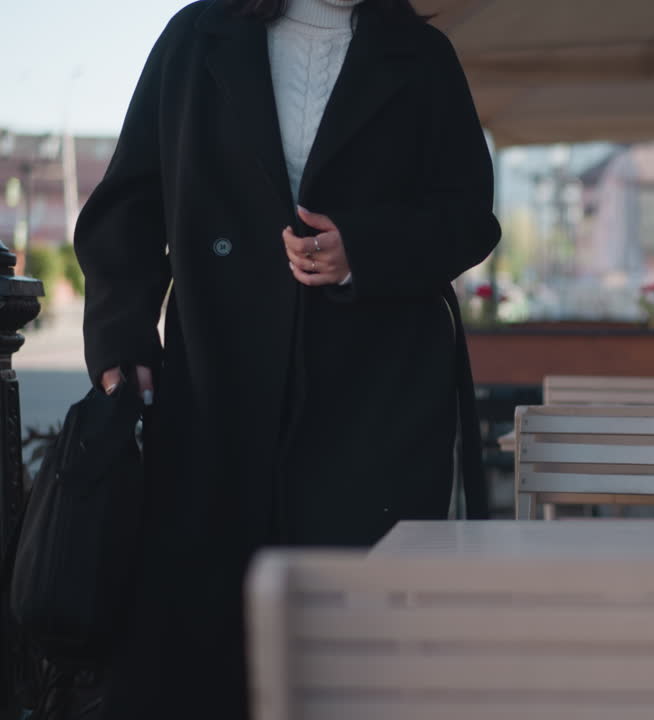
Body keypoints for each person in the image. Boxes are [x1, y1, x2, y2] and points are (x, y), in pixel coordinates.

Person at [73, 0, 500, 716]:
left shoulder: (421, 56)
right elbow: (129, 204)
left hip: (378, 397)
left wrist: (361, 249)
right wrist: (121, 341)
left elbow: (467, 216)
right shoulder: (197, 36)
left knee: (361, 644)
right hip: (219, 379)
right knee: (205, 635)